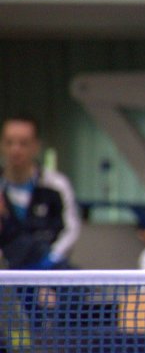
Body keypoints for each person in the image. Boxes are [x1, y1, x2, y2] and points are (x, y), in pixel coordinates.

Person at [1, 114, 81, 325]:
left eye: (23, 143)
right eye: (9, 142)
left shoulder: (56, 185)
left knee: (77, 292)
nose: (15, 149)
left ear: (36, 146)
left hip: (51, 270)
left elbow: (71, 228)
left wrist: (48, 264)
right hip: (6, 276)